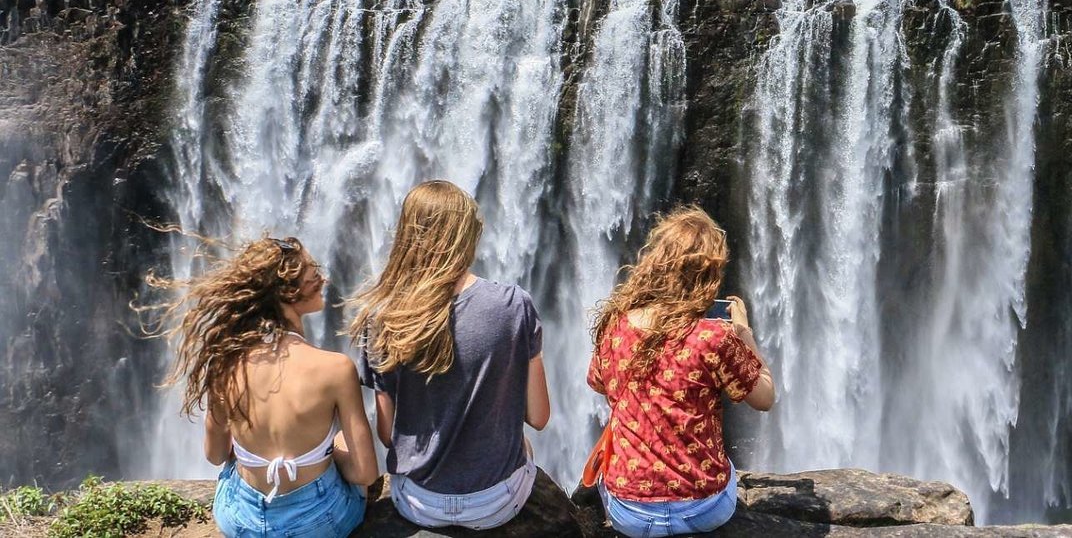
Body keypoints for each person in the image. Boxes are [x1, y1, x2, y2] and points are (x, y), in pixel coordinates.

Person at [348, 180, 551, 530]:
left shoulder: (382, 316)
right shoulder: (514, 304)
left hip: (417, 502)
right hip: (496, 503)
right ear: (468, 235)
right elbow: (539, 416)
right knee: (525, 446)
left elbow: (387, 433)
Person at [156, 235, 379, 538]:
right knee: (341, 442)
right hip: (319, 523)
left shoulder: (226, 360)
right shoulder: (336, 368)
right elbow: (366, 472)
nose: (324, 278)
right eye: (315, 274)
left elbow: (216, 455)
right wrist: (330, 452)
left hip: (241, 519)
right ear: (288, 292)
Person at [587, 206, 775, 538]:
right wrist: (745, 335)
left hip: (628, 511)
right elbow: (765, 398)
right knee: (728, 472)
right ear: (709, 276)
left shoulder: (615, 326)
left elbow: (600, 384)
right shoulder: (714, 338)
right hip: (703, 509)